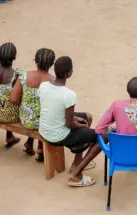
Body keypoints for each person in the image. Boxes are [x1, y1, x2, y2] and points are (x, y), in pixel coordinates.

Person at [38, 56, 101, 187]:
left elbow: (55, 110)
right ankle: (76, 175)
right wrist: (80, 124)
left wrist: (77, 119)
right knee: (100, 135)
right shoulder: (69, 94)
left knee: (87, 117)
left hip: (44, 130)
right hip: (58, 135)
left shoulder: (43, 86)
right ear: (70, 74)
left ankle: (77, 162)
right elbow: (69, 124)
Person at [11, 47, 55, 161]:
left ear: (35, 60)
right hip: (44, 123)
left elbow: (14, 99)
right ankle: (40, 148)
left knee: (36, 113)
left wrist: (27, 103)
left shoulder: (24, 76)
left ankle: (31, 143)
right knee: (44, 114)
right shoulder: (54, 81)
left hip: (26, 119)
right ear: (52, 64)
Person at [95, 77, 137, 141]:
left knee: (111, 139)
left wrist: (116, 131)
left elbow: (99, 129)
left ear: (128, 91)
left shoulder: (117, 105)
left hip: (120, 151)